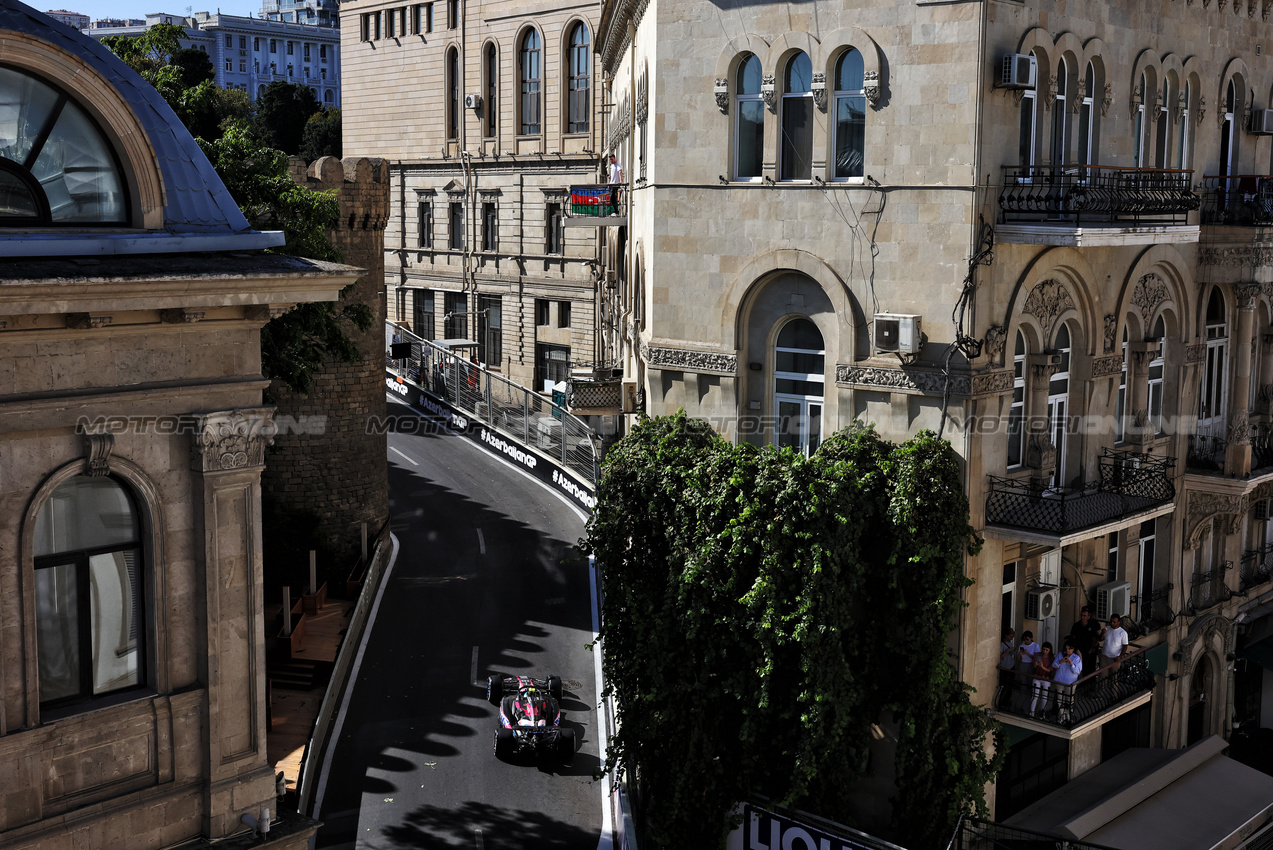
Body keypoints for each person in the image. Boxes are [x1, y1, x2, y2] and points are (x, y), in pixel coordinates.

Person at [1051, 639, 1083, 720]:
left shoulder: (1076, 658)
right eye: (1066, 649)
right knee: (1059, 699)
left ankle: (1068, 716)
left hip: (1070, 683)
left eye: (1070, 649)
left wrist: (1071, 663)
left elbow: (1077, 671)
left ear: (1073, 649)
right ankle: (1061, 716)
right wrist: (1061, 661)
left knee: (1069, 700)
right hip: (1059, 681)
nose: (1068, 650)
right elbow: (1054, 665)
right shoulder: (1060, 655)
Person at [1068, 605, 1102, 670]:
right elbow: (1072, 637)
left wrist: (1092, 648)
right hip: (1080, 650)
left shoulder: (1094, 624)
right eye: (1082, 615)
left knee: (1090, 668)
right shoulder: (1077, 625)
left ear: (1089, 616)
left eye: (1084, 616)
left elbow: (1098, 638)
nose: (1083, 617)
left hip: (1091, 651)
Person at [1014, 630, 1041, 710]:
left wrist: (1027, 653)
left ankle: (1028, 706)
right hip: (1023, 665)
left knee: (1030, 684)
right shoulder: (1021, 646)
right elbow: (1018, 659)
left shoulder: (1035, 646)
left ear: (1031, 638)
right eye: (1024, 639)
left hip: (1031, 665)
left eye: (1027, 639)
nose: (1026, 641)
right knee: (1023, 684)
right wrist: (1020, 654)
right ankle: (1020, 704)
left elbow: (1037, 658)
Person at [1030, 642, 1055, 718]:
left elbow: (1049, 670)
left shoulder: (1051, 658)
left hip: (1046, 679)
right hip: (1037, 677)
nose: (1045, 651)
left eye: (1047, 650)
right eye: (1044, 649)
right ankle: (1032, 713)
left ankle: (1042, 713)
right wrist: (1036, 664)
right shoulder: (1038, 655)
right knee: (1035, 695)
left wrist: (1042, 666)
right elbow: (1034, 666)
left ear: (1049, 650)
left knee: (1044, 697)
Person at [998, 628, 1017, 708]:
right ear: (1006, 636)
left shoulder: (1010, 644)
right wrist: (1009, 650)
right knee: (1004, 685)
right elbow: (1001, 656)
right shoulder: (1002, 644)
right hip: (1004, 667)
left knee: (1010, 686)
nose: (1011, 639)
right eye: (1010, 637)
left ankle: (1007, 702)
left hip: (1011, 666)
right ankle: (1001, 702)